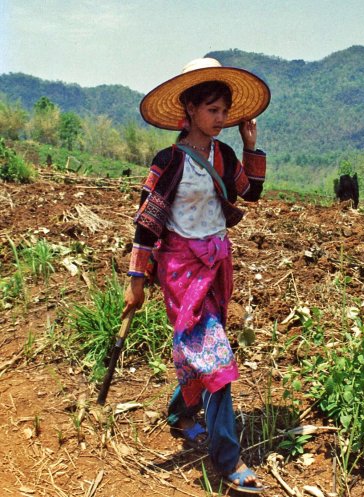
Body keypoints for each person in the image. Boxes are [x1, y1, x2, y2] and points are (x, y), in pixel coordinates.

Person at [122, 57, 270, 494]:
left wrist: (250, 144)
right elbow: (147, 223)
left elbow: (252, 192)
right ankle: (227, 460)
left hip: (217, 264)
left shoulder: (223, 154)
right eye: (213, 111)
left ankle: (181, 415)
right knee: (217, 359)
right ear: (189, 110)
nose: (221, 119)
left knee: (202, 347)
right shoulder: (168, 160)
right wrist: (136, 279)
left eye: (225, 111)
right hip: (181, 270)